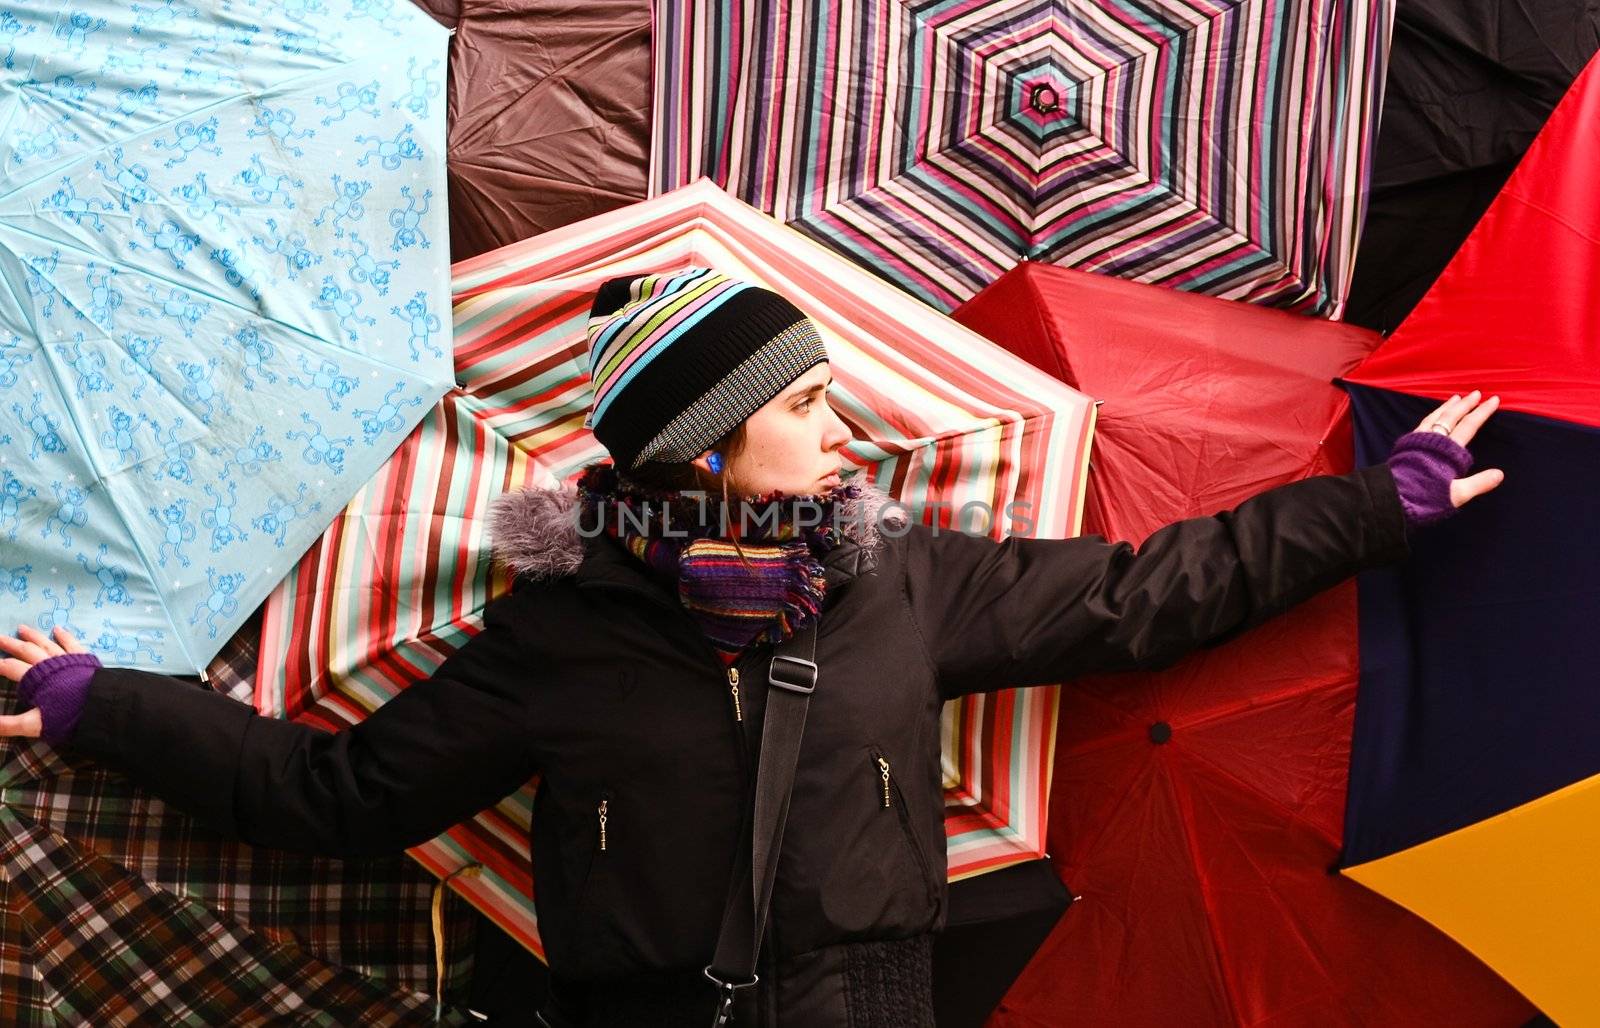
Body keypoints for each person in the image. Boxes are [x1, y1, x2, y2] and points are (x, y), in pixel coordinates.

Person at [0, 266, 1503, 1026]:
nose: (837, 431)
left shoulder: (900, 583)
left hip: (872, 1005)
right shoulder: (562, 636)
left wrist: (1380, 508)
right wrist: (105, 702)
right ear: (703, 449)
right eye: (801, 406)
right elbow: (335, 802)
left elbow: (1144, 595)